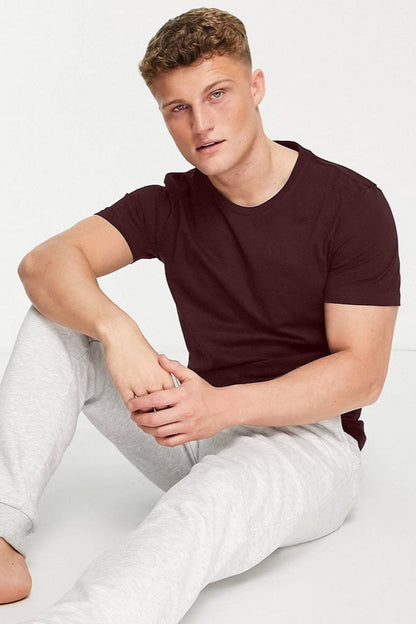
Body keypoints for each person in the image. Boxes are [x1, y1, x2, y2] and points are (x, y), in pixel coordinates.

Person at [0, 6, 400, 623]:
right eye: (178, 108)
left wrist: (223, 407)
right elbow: (44, 264)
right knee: (57, 320)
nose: (201, 124)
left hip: (308, 444)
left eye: (217, 94)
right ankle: (3, 532)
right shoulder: (171, 203)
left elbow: (363, 375)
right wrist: (119, 333)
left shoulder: (351, 204)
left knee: (201, 507)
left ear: (256, 86)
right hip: (198, 420)